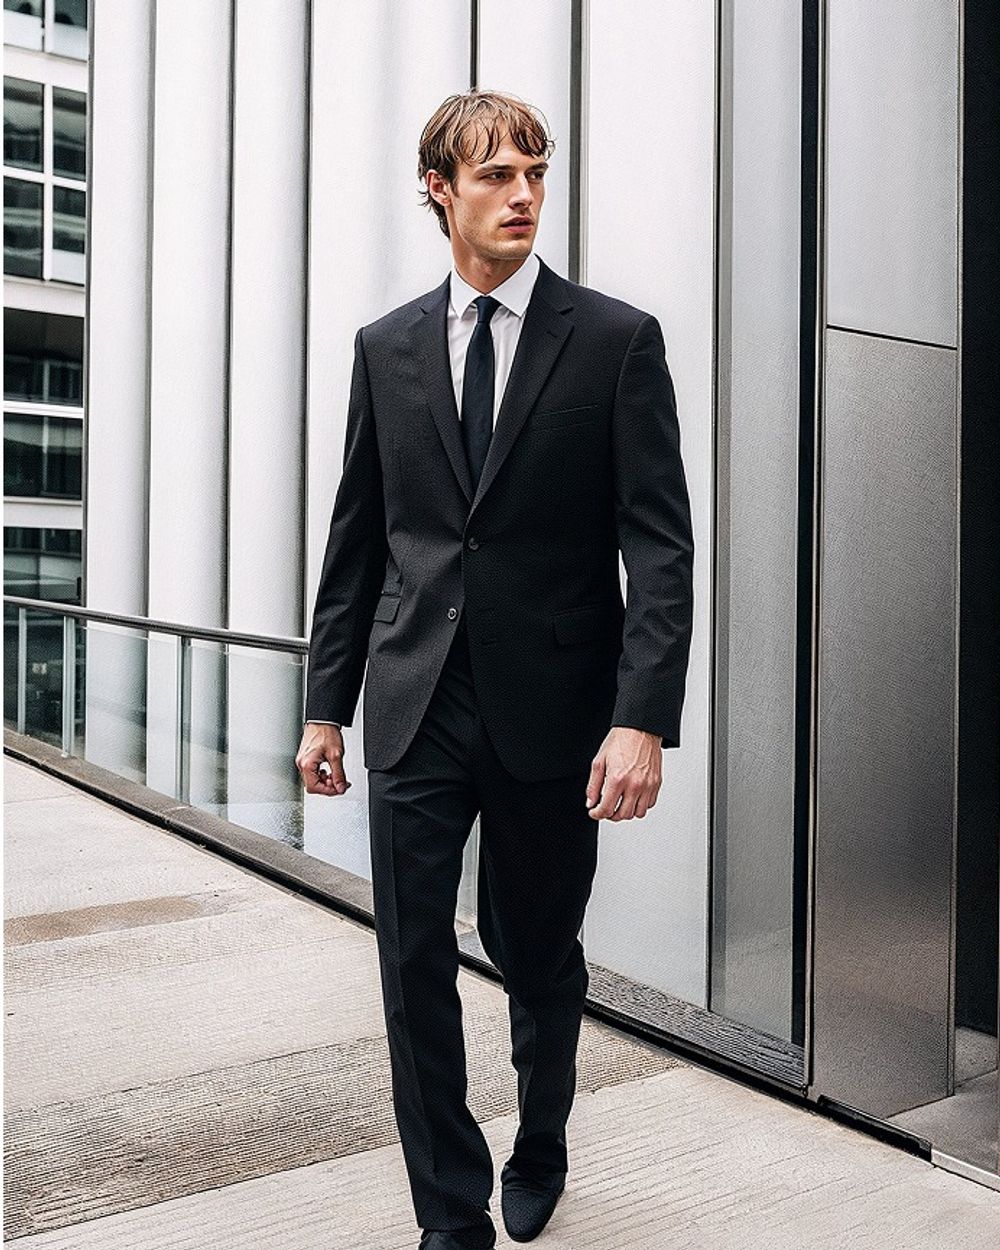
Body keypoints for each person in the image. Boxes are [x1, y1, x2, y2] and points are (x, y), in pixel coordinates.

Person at [295, 90, 694, 1250]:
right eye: (496, 175)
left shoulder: (614, 340)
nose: (523, 194)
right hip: (414, 700)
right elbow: (357, 542)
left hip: (552, 711)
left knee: (535, 951)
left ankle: (542, 1142)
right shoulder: (385, 347)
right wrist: (324, 706)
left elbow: (658, 546)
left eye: (535, 172)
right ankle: (448, 1212)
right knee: (412, 958)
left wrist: (640, 717)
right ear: (440, 190)